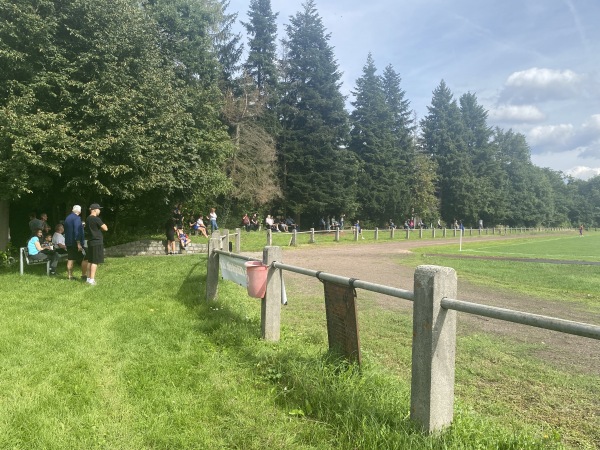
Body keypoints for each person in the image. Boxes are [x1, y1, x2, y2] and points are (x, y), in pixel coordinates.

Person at [84, 203, 108, 286]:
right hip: (97, 241)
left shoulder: (87, 219)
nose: (99, 210)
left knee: (90, 260)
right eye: (98, 209)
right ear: (94, 210)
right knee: (95, 261)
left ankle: (87, 278)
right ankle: (92, 280)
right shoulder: (96, 219)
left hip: (90, 241)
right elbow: (105, 228)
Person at [64, 205, 88, 281]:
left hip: (68, 241)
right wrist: (78, 243)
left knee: (70, 258)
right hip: (75, 242)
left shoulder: (67, 218)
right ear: (79, 211)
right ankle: (84, 275)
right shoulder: (77, 218)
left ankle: (69, 276)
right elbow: (77, 231)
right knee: (85, 258)